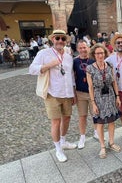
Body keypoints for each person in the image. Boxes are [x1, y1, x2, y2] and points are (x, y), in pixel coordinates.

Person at [29, 29, 77, 163]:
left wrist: (73, 92)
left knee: (66, 118)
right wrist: (49, 65)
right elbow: (32, 69)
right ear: (52, 40)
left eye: (63, 38)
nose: (60, 41)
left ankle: (63, 141)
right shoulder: (43, 53)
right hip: (52, 94)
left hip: (67, 93)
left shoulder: (68, 56)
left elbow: (70, 74)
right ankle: (58, 149)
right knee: (56, 122)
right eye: (57, 38)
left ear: (66, 41)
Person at [86, 43, 121, 158]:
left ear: (105, 53)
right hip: (98, 97)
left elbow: (114, 82)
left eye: (101, 53)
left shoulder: (110, 65)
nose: (100, 55)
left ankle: (111, 142)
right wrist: (93, 103)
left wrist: (117, 96)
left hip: (110, 96)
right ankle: (102, 146)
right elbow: (90, 87)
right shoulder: (90, 68)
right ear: (94, 55)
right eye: (97, 53)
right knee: (100, 123)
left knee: (111, 121)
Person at [73, 40, 98, 149]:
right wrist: (73, 93)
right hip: (80, 93)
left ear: (88, 48)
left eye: (85, 47)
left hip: (93, 92)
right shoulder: (75, 61)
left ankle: (97, 132)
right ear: (78, 49)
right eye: (81, 48)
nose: (83, 49)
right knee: (82, 116)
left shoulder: (93, 60)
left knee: (95, 114)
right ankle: (82, 137)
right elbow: (73, 77)